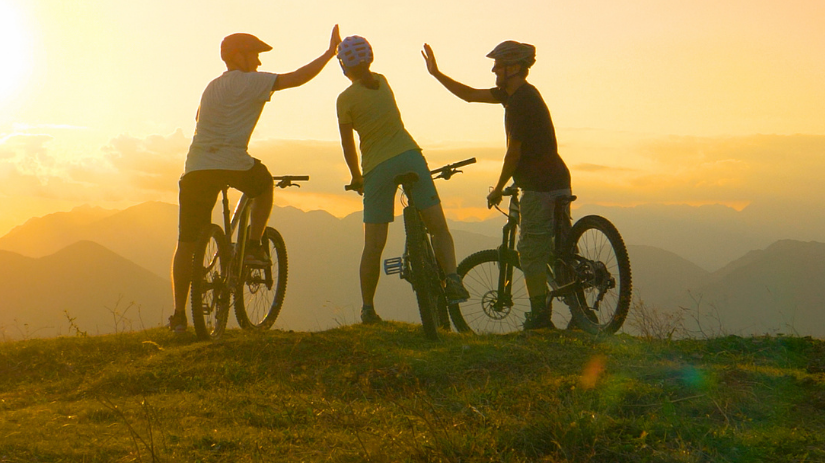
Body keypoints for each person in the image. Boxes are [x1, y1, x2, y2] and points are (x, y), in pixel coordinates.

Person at [169, 26, 341, 333]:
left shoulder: (210, 87)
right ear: (238, 56)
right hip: (232, 162)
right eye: (255, 55)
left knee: (186, 243)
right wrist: (329, 54)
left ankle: (179, 316)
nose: (259, 62)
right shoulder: (251, 82)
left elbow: (199, 119)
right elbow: (296, 78)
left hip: (195, 167)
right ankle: (255, 244)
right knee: (263, 184)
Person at [421, 39, 571, 330]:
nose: (493, 70)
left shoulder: (519, 103)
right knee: (558, 249)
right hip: (557, 179)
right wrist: (436, 74)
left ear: (514, 68)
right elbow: (469, 95)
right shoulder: (518, 95)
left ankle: (540, 319)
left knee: (530, 252)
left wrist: (499, 186)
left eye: (498, 66)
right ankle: (581, 311)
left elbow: (513, 152)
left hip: (539, 186)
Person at [335, 35, 467, 325]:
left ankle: (368, 309)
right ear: (370, 58)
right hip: (409, 156)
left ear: (343, 65)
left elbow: (347, 144)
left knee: (373, 245)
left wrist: (356, 177)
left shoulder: (344, 99)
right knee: (438, 228)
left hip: (376, 169)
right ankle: (453, 278)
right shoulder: (382, 81)